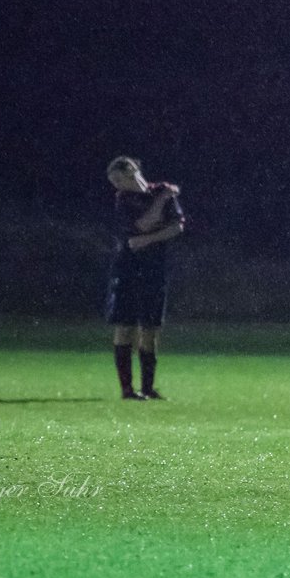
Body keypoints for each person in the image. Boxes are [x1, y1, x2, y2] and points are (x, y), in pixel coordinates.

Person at [105, 156, 185, 400]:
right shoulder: (124, 199)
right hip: (127, 268)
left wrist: (148, 240)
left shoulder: (159, 191)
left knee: (150, 328)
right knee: (125, 325)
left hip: (154, 268)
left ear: (131, 171)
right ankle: (127, 389)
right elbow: (141, 225)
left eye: (118, 178)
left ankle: (148, 388)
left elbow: (178, 226)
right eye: (113, 181)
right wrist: (162, 201)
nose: (116, 185)